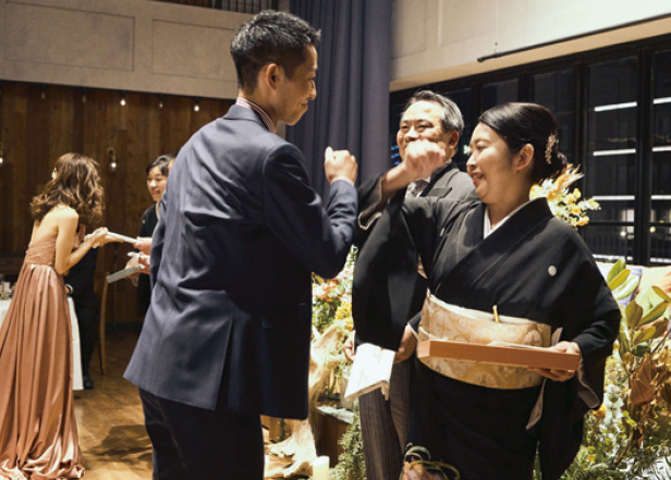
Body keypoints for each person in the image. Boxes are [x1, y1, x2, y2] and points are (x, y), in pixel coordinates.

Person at [123, 10, 358, 480]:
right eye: (308, 80)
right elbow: (329, 254)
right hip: (213, 381)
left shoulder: (194, 144)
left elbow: (165, 246)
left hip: (160, 365)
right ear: (273, 76)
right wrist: (343, 186)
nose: (313, 92)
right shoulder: (272, 155)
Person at [355, 103, 620, 480]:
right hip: (432, 416)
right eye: (470, 152)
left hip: (502, 430)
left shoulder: (560, 243)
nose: (470, 162)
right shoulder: (448, 216)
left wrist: (574, 351)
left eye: (481, 149)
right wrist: (403, 174)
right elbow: (372, 225)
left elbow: (603, 319)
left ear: (522, 157)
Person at [0, 153, 116, 479]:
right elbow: (62, 266)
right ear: (83, 181)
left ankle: (24, 429)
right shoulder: (68, 214)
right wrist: (94, 243)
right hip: (45, 288)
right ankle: (39, 438)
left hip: (30, 284)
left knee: (26, 361)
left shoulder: (47, 212)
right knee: (47, 364)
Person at [346, 90, 476, 480]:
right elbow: (354, 230)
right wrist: (364, 325)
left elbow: (461, 277)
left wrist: (417, 328)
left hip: (421, 349)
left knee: (416, 462)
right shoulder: (395, 187)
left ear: (452, 140)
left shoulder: (465, 193)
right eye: (404, 127)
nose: (410, 135)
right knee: (379, 458)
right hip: (376, 345)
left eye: (424, 127)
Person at [133, 154, 175, 318]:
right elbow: (140, 254)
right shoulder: (148, 216)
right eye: (149, 179)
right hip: (151, 287)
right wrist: (134, 267)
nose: (152, 185)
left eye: (158, 179)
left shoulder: (181, 212)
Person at [65, 248, 99, 390]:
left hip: (81, 298)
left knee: (86, 320)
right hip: (52, 293)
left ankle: (84, 372)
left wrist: (67, 288)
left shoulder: (89, 245)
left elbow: (86, 274)